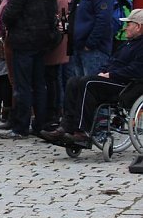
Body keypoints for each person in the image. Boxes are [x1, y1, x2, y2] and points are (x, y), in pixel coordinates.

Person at [42, 9, 143, 146]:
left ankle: (82, 131)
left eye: (129, 24)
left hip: (127, 85)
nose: (126, 28)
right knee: (73, 82)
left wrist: (110, 74)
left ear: (138, 26)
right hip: (113, 78)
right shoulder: (128, 44)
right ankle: (66, 126)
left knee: (87, 82)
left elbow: (136, 70)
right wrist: (102, 72)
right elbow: (110, 61)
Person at [0, 0, 58, 140]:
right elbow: (52, 12)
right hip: (42, 39)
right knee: (39, 83)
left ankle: (21, 126)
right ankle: (40, 123)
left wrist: (8, 24)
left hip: (23, 39)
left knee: (23, 84)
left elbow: (11, 12)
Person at [67, 0, 115, 78]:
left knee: (90, 86)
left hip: (93, 50)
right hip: (77, 47)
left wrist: (90, 44)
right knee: (79, 87)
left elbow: (103, 20)